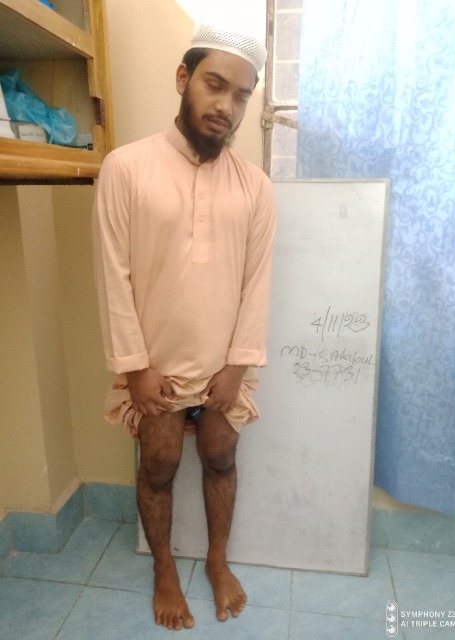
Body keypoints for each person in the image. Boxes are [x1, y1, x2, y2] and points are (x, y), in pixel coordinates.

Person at [92, 19, 276, 632]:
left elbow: (258, 283)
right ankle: (165, 570)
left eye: (241, 95)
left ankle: (218, 562)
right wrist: (135, 367)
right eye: (214, 85)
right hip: (155, 365)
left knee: (221, 454)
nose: (226, 107)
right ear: (183, 78)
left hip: (224, 364)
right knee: (161, 461)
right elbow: (112, 275)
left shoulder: (255, 187)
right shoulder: (125, 168)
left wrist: (239, 365)